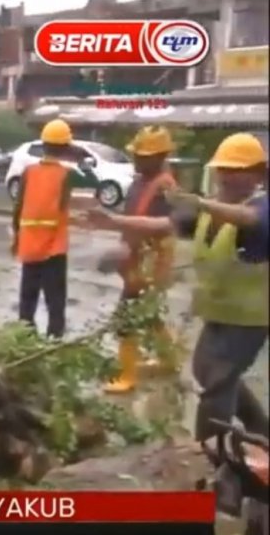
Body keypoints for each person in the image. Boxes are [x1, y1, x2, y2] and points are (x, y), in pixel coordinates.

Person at [85, 132, 270, 443]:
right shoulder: (207, 209)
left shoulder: (260, 208)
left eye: (239, 171)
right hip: (217, 311)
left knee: (217, 383)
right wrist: (114, 222)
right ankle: (261, 429)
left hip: (252, 317)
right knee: (205, 371)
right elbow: (163, 226)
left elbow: (248, 219)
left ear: (259, 174)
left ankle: (209, 452)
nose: (229, 177)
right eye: (224, 169)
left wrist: (202, 203)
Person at [103, 126, 180, 394]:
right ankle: (169, 360)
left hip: (149, 263)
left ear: (160, 157)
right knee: (150, 315)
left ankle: (127, 376)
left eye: (142, 156)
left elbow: (160, 227)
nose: (136, 159)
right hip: (137, 259)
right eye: (136, 154)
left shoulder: (165, 188)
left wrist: (128, 252)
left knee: (127, 318)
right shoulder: (140, 182)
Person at [11, 118, 100, 338]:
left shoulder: (28, 172)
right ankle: (54, 342)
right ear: (65, 148)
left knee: (27, 300)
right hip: (54, 249)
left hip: (30, 246)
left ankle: (24, 341)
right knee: (55, 302)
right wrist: (83, 160)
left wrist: (16, 237)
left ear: (43, 145)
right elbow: (95, 183)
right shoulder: (66, 175)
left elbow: (18, 208)